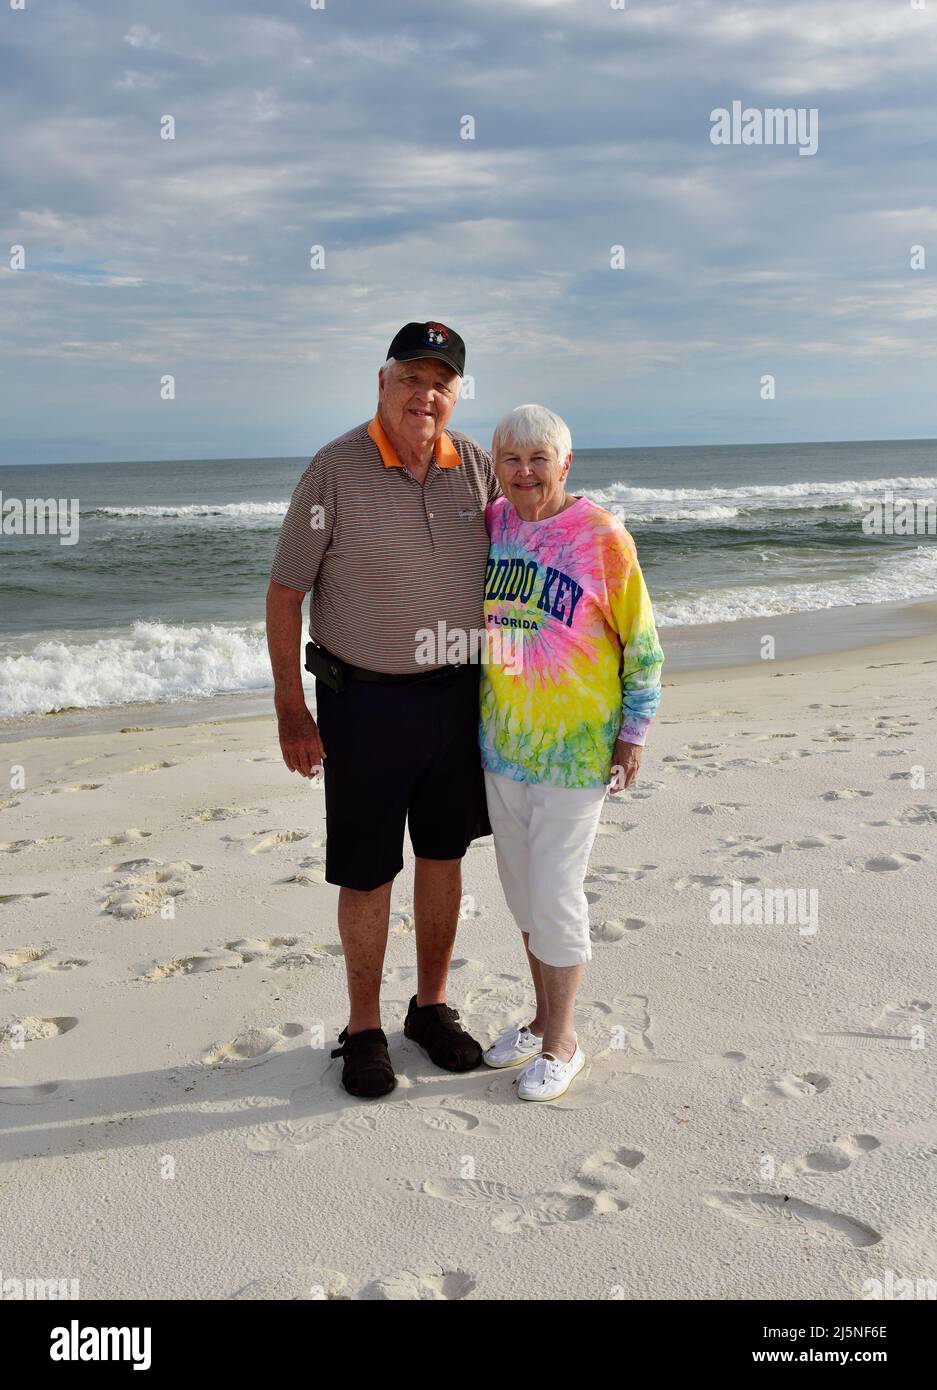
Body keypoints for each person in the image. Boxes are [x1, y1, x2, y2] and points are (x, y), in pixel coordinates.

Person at [266, 321, 498, 1099]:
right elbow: (286, 591)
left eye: (441, 382)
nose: (424, 395)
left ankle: (429, 1010)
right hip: (362, 702)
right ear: (382, 382)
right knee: (365, 872)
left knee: (444, 856)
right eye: (411, 378)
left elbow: (528, 563)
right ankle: (363, 1026)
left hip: (457, 699)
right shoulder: (334, 469)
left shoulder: (476, 466)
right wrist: (291, 711)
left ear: (455, 393)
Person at [478, 404, 664, 1101]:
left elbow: (641, 645)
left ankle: (563, 1041)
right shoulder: (493, 524)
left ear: (565, 463)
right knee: (523, 897)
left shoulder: (600, 535)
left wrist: (633, 733)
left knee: (556, 895)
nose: (524, 473)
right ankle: (538, 1019)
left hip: (575, 751)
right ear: (496, 467)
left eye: (538, 459)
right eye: (511, 460)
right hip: (501, 745)